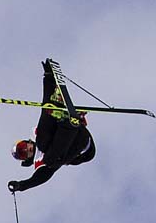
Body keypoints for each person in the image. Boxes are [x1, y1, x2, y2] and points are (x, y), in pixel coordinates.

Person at [8, 59, 95, 194]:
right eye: (24, 153)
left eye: (23, 146)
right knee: (49, 159)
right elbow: (39, 178)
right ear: (26, 159)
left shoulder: (37, 136)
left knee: (43, 128)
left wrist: (48, 77)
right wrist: (21, 185)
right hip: (83, 148)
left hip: (74, 130)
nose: (27, 149)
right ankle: (70, 122)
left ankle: (59, 109)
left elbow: (44, 109)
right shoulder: (39, 162)